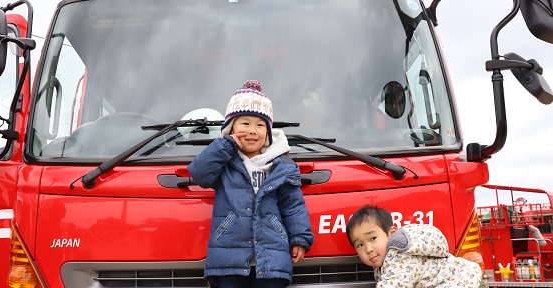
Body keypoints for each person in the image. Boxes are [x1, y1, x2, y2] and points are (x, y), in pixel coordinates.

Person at [188, 80, 314, 288]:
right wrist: (225, 145)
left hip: (272, 260)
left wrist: (300, 237)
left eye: (260, 125)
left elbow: (293, 205)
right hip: (229, 260)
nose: (253, 130)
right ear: (231, 128)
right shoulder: (224, 160)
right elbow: (199, 173)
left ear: (268, 131)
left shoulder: (282, 165)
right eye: (245, 124)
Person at [346, 204, 483, 287]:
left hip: (468, 283)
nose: (368, 249)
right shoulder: (384, 263)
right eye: (359, 245)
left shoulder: (402, 256)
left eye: (373, 238)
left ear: (392, 233)